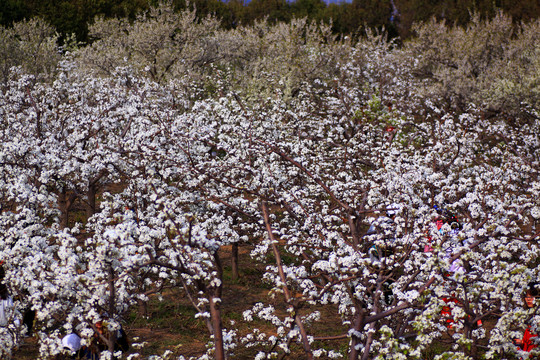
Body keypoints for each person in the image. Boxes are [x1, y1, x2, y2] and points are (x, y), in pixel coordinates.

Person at [515, 282, 539, 353]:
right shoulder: (527, 315)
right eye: (526, 297)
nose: (528, 299)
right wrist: (521, 343)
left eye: (531, 297)